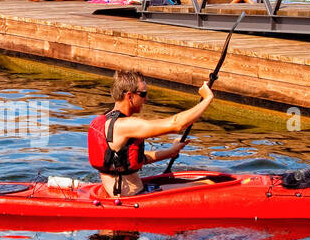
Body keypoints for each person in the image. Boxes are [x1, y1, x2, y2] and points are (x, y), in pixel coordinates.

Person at [87, 69, 215, 198]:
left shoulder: (106, 119)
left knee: (205, 182)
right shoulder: (125, 125)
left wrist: (170, 152)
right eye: (143, 94)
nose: (146, 99)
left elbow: (133, 158)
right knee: (207, 185)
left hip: (123, 193)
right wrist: (207, 98)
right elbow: (177, 124)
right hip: (134, 198)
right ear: (129, 96)